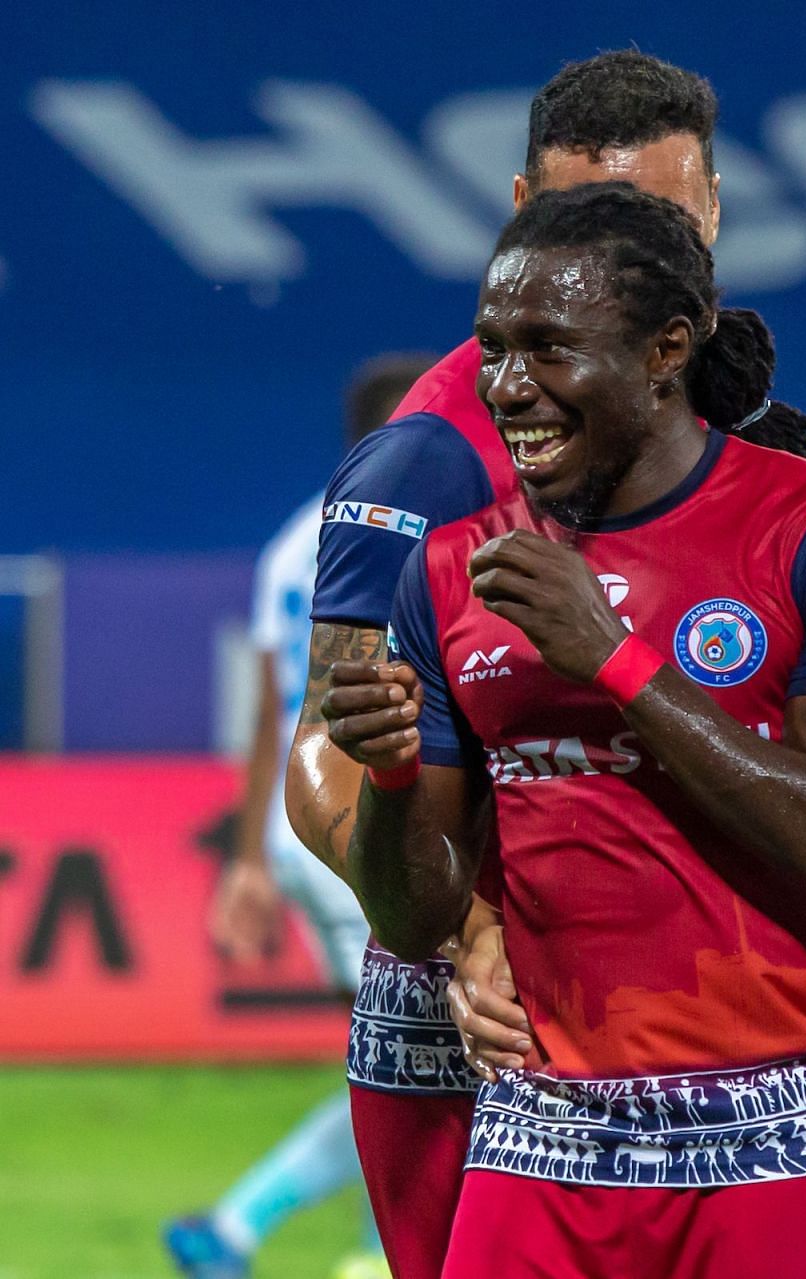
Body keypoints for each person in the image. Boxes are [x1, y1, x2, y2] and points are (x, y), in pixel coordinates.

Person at [281, 51, 806, 1279]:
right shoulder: (431, 458)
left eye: (667, 221)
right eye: (593, 218)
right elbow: (328, 744)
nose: (631, 257)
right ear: (522, 214)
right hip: (485, 1035)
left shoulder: (725, 429)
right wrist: (471, 928)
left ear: (713, 220)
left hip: (697, 1051)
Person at [164, 355, 430, 1279]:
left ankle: (240, 1230)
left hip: (301, 826)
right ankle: (364, 1248)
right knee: (432, 1055)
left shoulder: (293, 539)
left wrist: (245, 858)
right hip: (355, 826)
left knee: (406, 1050)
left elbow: (268, 714)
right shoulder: (398, 532)